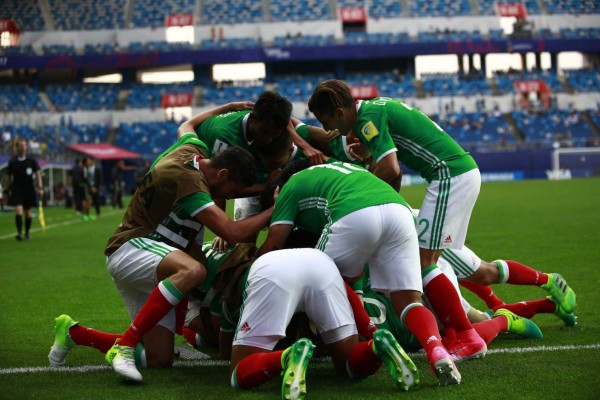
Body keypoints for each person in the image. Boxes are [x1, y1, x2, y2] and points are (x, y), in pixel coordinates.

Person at [50, 138, 272, 383]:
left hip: (146, 260)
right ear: (222, 174)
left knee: (159, 358)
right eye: (231, 191)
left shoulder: (190, 150)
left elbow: (188, 127)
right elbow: (232, 232)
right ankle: (126, 343)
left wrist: (229, 107)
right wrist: (278, 206)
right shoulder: (191, 184)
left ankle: (74, 333)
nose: (229, 198)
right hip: (130, 247)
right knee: (193, 270)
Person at [308, 80, 487, 360]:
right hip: (454, 175)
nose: (331, 130)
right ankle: (457, 333)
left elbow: (390, 167)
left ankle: (467, 336)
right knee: (426, 261)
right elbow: (393, 170)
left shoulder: (368, 119)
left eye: (327, 121)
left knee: (424, 263)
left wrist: (365, 193)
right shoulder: (374, 109)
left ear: (340, 113)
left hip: (449, 176)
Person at [257, 160, 461, 385]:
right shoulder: (339, 169)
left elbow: (274, 243)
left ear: (278, 188)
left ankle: (373, 336)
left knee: (322, 275)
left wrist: (251, 271)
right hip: (399, 211)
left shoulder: (289, 187)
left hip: (353, 213)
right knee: (409, 301)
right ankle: (436, 348)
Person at [216, 246, 421, 396]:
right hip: (322, 265)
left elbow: (225, 350)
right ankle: (375, 348)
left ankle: (286, 357)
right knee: (348, 364)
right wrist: (371, 331)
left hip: (272, 274)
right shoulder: (315, 249)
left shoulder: (234, 284)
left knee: (238, 371)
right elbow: (350, 294)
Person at [3, 139, 43, 240]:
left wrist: (40, 187)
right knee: (18, 210)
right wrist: (6, 190)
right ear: (17, 147)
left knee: (28, 212)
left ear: (27, 147)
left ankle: (27, 232)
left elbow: (38, 174)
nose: (23, 147)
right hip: (17, 189)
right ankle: (19, 233)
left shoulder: (31, 161)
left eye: (24, 145)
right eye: (21, 145)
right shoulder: (13, 162)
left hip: (28, 189)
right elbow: (8, 176)